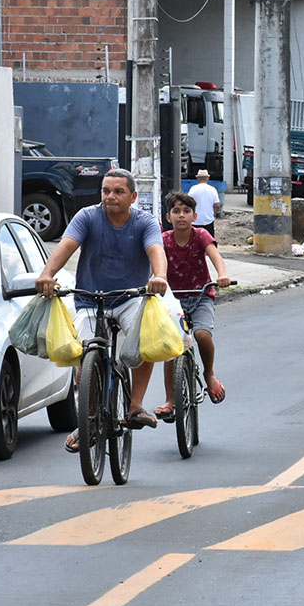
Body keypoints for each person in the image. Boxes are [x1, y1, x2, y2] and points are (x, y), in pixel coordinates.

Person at [35, 168, 168, 452]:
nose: (111, 197)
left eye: (118, 192)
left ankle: (135, 406)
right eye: (106, 191)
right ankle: (89, 421)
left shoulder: (145, 222)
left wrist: (158, 276)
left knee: (147, 341)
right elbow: (67, 245)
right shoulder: (88, 217)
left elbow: (156, 249)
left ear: (133, 196)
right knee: (86, 358)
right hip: (89, 299)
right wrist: (48, 273)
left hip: (130, 297)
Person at [154, 191, 231, 422]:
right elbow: (155, 262)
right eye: (176, 211)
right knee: (171, 347)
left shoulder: (201, 236)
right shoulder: (163, 240)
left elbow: (215, 256)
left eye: (186, 211)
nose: (181, 216)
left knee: (201, 334)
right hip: (172, 300)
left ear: (195, 216)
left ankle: (209, 374)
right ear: (168, 216)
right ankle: (170, 400)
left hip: (201, 296)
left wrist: (223, 275)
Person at [187, 169, 221, 237]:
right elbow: (217, 205)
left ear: (198, 178)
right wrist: (214, 214)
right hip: (208, 220)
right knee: (209, 242)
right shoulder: (212, 189)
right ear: (208, 178)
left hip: (195, 220)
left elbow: (188, 203)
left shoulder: (193, 189)